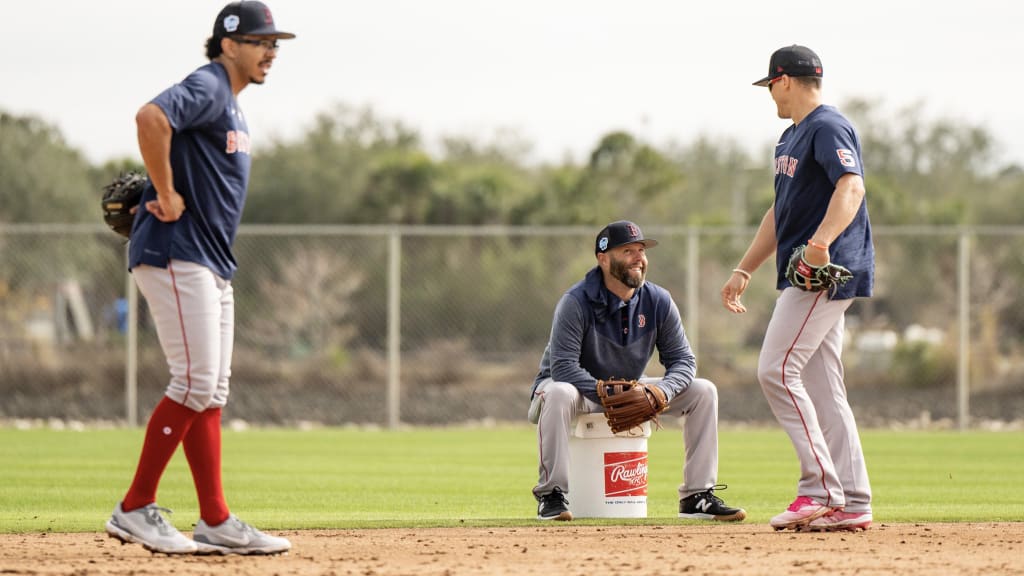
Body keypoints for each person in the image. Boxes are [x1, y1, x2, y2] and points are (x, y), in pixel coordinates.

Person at [104, 1, 296, 555]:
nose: (271, 52)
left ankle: (216, 520)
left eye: (275, 44)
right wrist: (163, 194)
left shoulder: (230, 105)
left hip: (210, 259)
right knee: (193, 382)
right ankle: (135, 507)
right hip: (176, 251)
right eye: (261, 42)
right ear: (228, 44)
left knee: (210, 389)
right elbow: (150, 118)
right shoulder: (210, 84)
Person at [720, 45, 874, 532]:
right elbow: (777, 213)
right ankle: (852, 500)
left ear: (784, 79)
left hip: (823, 272)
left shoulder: (827, 126)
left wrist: (821, 243)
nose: (770, 96)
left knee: (776, 369)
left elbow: (851, 185)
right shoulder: (790, 138)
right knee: (823, 389)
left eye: (770, 86)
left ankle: (819, 489)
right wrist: (745, 268)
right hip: (801, 269)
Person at [529, 220, 746, 522]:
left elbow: (683, 361)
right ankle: (551, 495)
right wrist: (613, 393)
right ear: (603, 259)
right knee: (557, 391)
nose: (638, 258)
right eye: (627, 251)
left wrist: (659, 392)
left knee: (703, 391)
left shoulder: (657, 300)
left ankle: (697, 496)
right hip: (578, 391)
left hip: (632, 389)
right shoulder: (576, 302)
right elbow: (563, 367)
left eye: (641, 250)